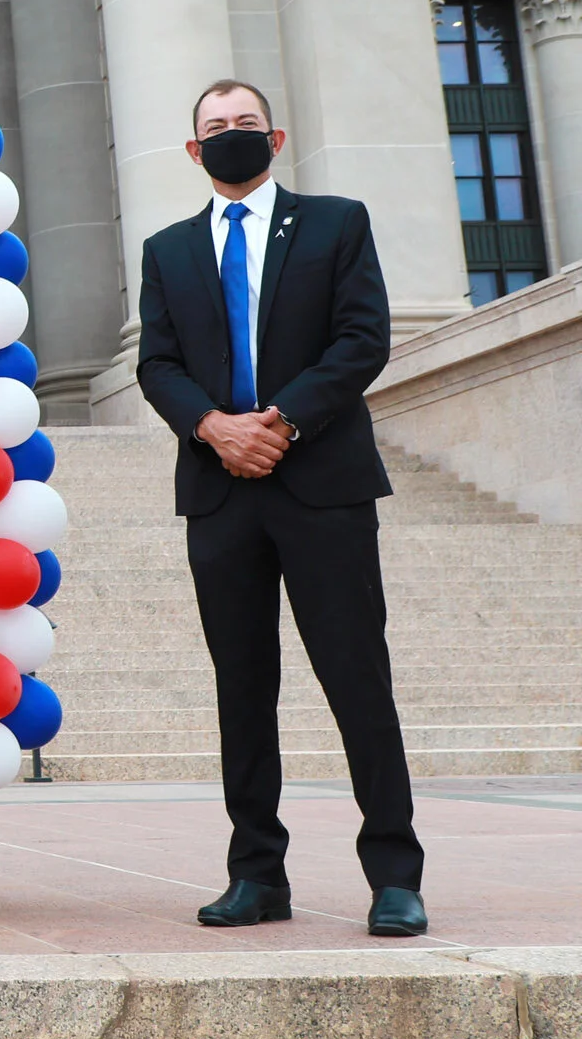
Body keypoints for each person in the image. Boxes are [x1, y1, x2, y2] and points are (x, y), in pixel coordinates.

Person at [136, 80, 427, 938]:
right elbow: (157, 364)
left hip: (322, 485)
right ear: (194, 150)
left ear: (277, 137)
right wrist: (214, 427)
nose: (233, 135)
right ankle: (256, 874)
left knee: (356, 677)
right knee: (242, 686)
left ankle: (395, 876)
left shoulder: (336, 224)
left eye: (247, 124)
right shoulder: (167, 249)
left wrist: (281, 421)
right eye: (216, 127)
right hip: (220, 490)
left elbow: (362, 339)